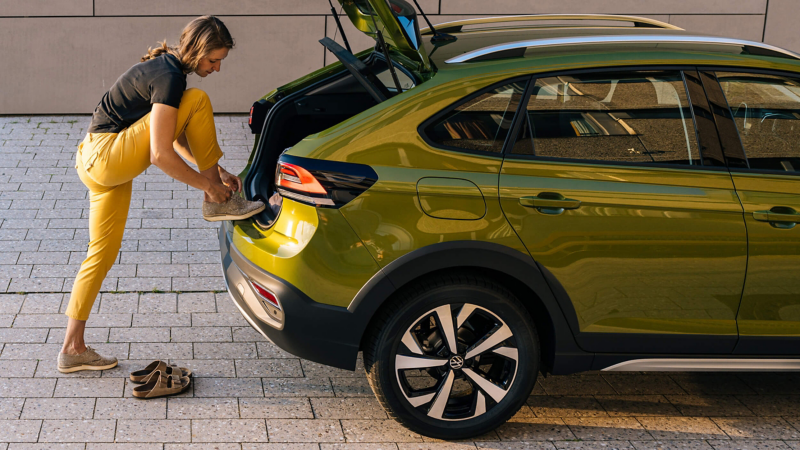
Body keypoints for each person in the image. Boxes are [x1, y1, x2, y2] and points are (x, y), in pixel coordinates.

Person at [57, 16, 265, 373]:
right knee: (198, 99)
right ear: (198, 51)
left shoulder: (169, 69)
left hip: (97, 161)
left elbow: (173, 135)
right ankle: (218, 205)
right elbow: (159, 153)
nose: (216, 68)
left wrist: (216, 172)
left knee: (100, 255)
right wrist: (209, 186)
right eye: (213, 60)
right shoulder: (170, 77)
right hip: (106, 156)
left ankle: (72, 348)